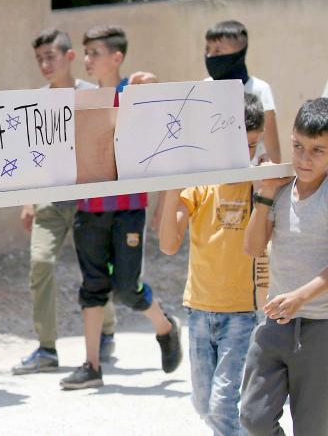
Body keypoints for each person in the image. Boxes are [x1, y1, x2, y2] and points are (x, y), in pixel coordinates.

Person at [61, 25, 182, 390]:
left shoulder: (132, 91)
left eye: (95, 53)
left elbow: (161, 101)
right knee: (94, 285)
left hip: (128, 206)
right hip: (88, 207)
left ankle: (165, 328)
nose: (87, 60)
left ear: (117, 58)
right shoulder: (79, 100)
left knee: (127, 287)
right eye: (86, 54)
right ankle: (92, 366)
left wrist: (154, 82)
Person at [12, 28, 118, 375]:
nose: (44, 64)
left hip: (89, 200)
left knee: (96, 269)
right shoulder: (37, 101)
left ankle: (104, 334)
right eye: (39, 58)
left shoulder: (92, 94)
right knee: (40, 263)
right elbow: (30, 153)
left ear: (70, 57)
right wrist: (28, 199)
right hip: (51, 200)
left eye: (51, 56)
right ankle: (46, 348)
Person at [158, 93, 265, 435]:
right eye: (239, 145)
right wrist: (170, 189)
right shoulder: (199, 183)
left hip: (242, 314)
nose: (245, 154)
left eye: (252, 145)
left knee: (222, 404)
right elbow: (169, 243)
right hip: (199, 312)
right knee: (203, 403)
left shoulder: (259, 184)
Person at [240, 97, 328, 435]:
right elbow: (252, 247)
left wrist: (300, 298)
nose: (304, 158)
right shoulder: (280, 190)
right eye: (298, 146)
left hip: (320, 329)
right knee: (253, 417)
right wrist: (264, 194)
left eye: (317, 150)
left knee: (311, 428)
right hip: (275, 323)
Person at [203, 20, 280, 164]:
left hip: (251, 182)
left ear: (239, 54)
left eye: (218, 51)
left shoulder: (259, 89)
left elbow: (273, 152)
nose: (210, 56)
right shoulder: (204, 88)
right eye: (208, 49)